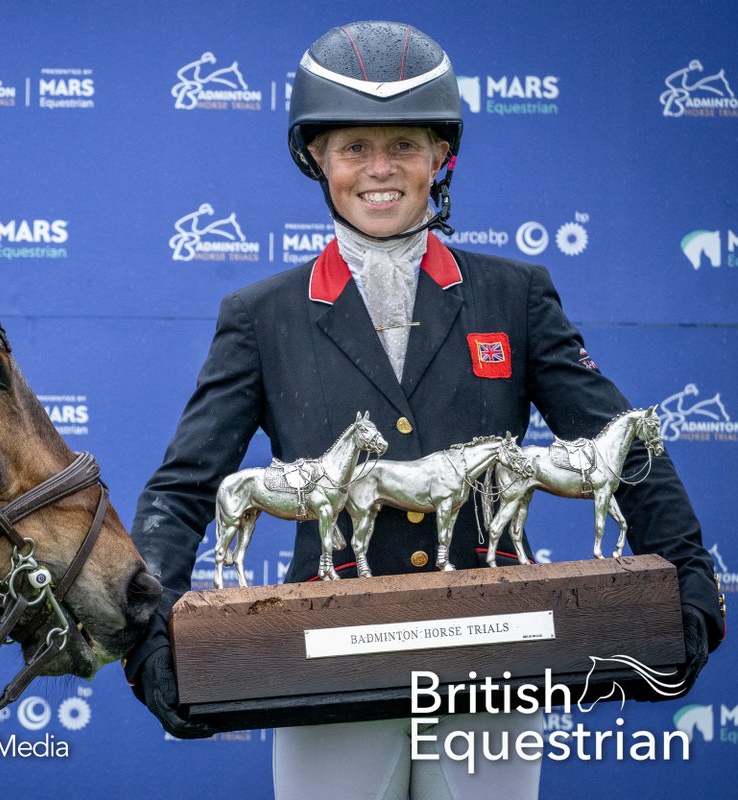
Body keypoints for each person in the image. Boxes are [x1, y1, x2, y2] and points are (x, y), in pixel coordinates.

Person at [125, 20, 725, 799]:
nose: (380, 169)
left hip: (496, 656)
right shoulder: (260, 315)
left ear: (441, 156)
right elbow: (182, 488)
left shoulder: (515, 294)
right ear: (317, 157)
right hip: (323, 657)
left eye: (403, 145)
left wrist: (687, 570)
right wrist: (152, 627)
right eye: (354, 147)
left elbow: (622, 442)